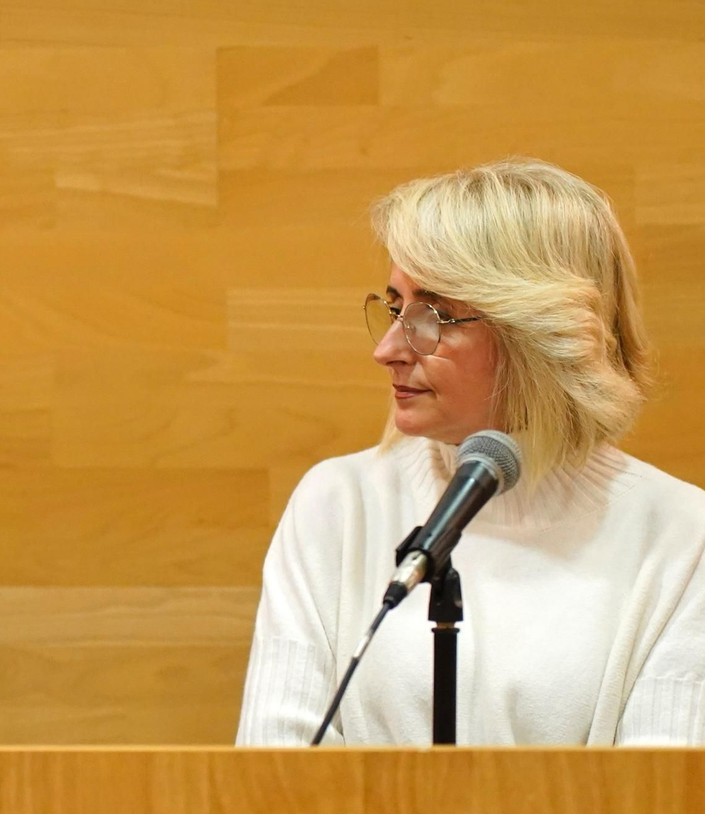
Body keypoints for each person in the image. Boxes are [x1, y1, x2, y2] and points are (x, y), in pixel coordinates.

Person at [237, 159, 705, 746]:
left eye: (430, 317)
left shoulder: (682, 537)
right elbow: (273, 784)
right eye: (393, 308)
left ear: (538, 333)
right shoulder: (338, 504)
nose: (388, 349)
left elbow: (662, 812)